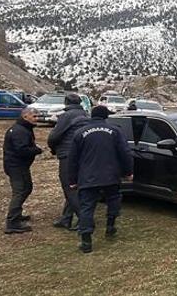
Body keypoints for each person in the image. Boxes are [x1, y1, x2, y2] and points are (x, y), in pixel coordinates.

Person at [69, 106, 134, 253]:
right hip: (111, 175)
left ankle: (86, 241)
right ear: (106, 116)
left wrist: (72, 179)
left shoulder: (80, 133)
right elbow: (125, 153)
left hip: (88, 177)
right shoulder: (115, 131)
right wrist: (128, 172)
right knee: (113, 200)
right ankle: (110, 226)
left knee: (87, 207)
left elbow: (72, 159)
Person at [47, 93, 89, 231]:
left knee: (69, 187)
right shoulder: (85, 115)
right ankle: (66, 218)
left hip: (68, 155)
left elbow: (54, 137)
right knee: (73, 186)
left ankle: (84, 219)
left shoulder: (66, 116)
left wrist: (53, 149)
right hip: (82, 155)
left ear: (66, 102)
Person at [3, 108, 43, 234]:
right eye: (34, 116)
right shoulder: (19, 131)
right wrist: (37, 150)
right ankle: (12, 222)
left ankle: (16, 214)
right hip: (16, 166)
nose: (37, 119)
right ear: (25, 116)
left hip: (19, 165)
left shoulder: (23, 129)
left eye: (37, 116)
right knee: (20, 191)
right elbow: (22, 150)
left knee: (27, 188)